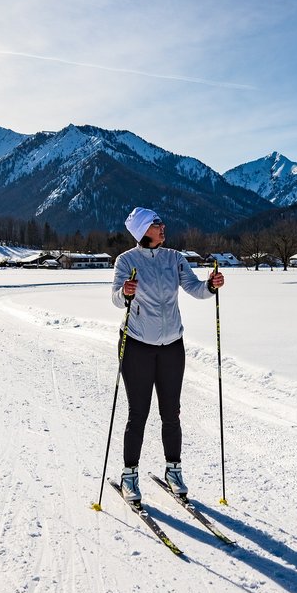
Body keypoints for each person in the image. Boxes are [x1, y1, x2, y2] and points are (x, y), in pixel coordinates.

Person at [111, 207, 225, 502]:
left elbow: (195, 289)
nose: (163, 227)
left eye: (161, 222)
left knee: (171, 412)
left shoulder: (175, 258)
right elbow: (116, 297)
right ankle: (129, 475)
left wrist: (210, 287)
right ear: (142, 231)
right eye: (156, 224)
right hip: (137, 345)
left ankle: (173, 470)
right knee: (138, 413)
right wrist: (126, 291)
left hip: (172, 346)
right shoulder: (126, 261)